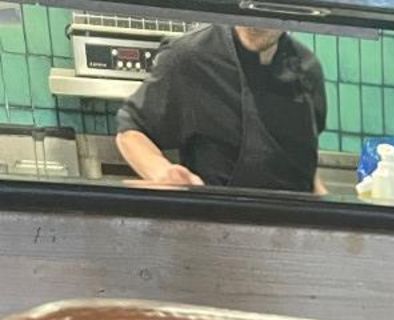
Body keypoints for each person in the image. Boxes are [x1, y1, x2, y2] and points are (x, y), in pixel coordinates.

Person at [116, 24, 327, 195]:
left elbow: (306, 166)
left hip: (292, 232)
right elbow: (131, 131)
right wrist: (162, 172)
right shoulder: (190, 56)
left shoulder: (307, 68)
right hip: (219, 229)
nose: (255, 21)